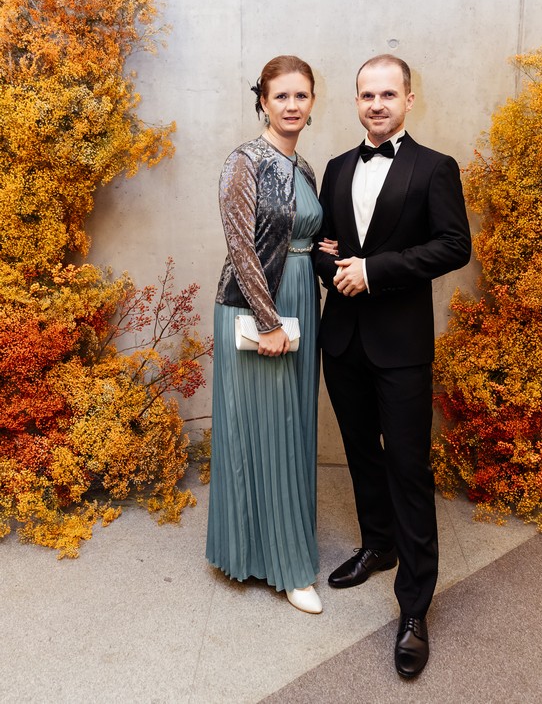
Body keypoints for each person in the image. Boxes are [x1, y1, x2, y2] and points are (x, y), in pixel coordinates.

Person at [315, 54, 471, 675]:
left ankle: (414, 607)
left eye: (387, 94)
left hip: (401, 346)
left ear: (409, 99)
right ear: (356, 101)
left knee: (408, 467)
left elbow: (454, 245)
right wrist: (332, 266)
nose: (376, 104)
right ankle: (377, 545)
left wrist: (373, 271)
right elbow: (321, 245)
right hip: (342, 341)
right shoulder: (336, 168)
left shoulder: (435, 167)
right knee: (362, 453)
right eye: (366, 95)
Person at [206, 55, 332, 615]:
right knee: (265, 428)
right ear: (262, 101)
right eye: (281, 96)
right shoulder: (244, 161)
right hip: (260, 308)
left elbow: (298, 234)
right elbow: (240, 246)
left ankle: (279, 545)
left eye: (301, 95)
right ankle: (286, 567)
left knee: (293, 427)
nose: (291, 105)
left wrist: (322, 247)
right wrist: (268, 321)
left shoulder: (304, 166)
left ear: (312, 102)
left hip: (303, 299)